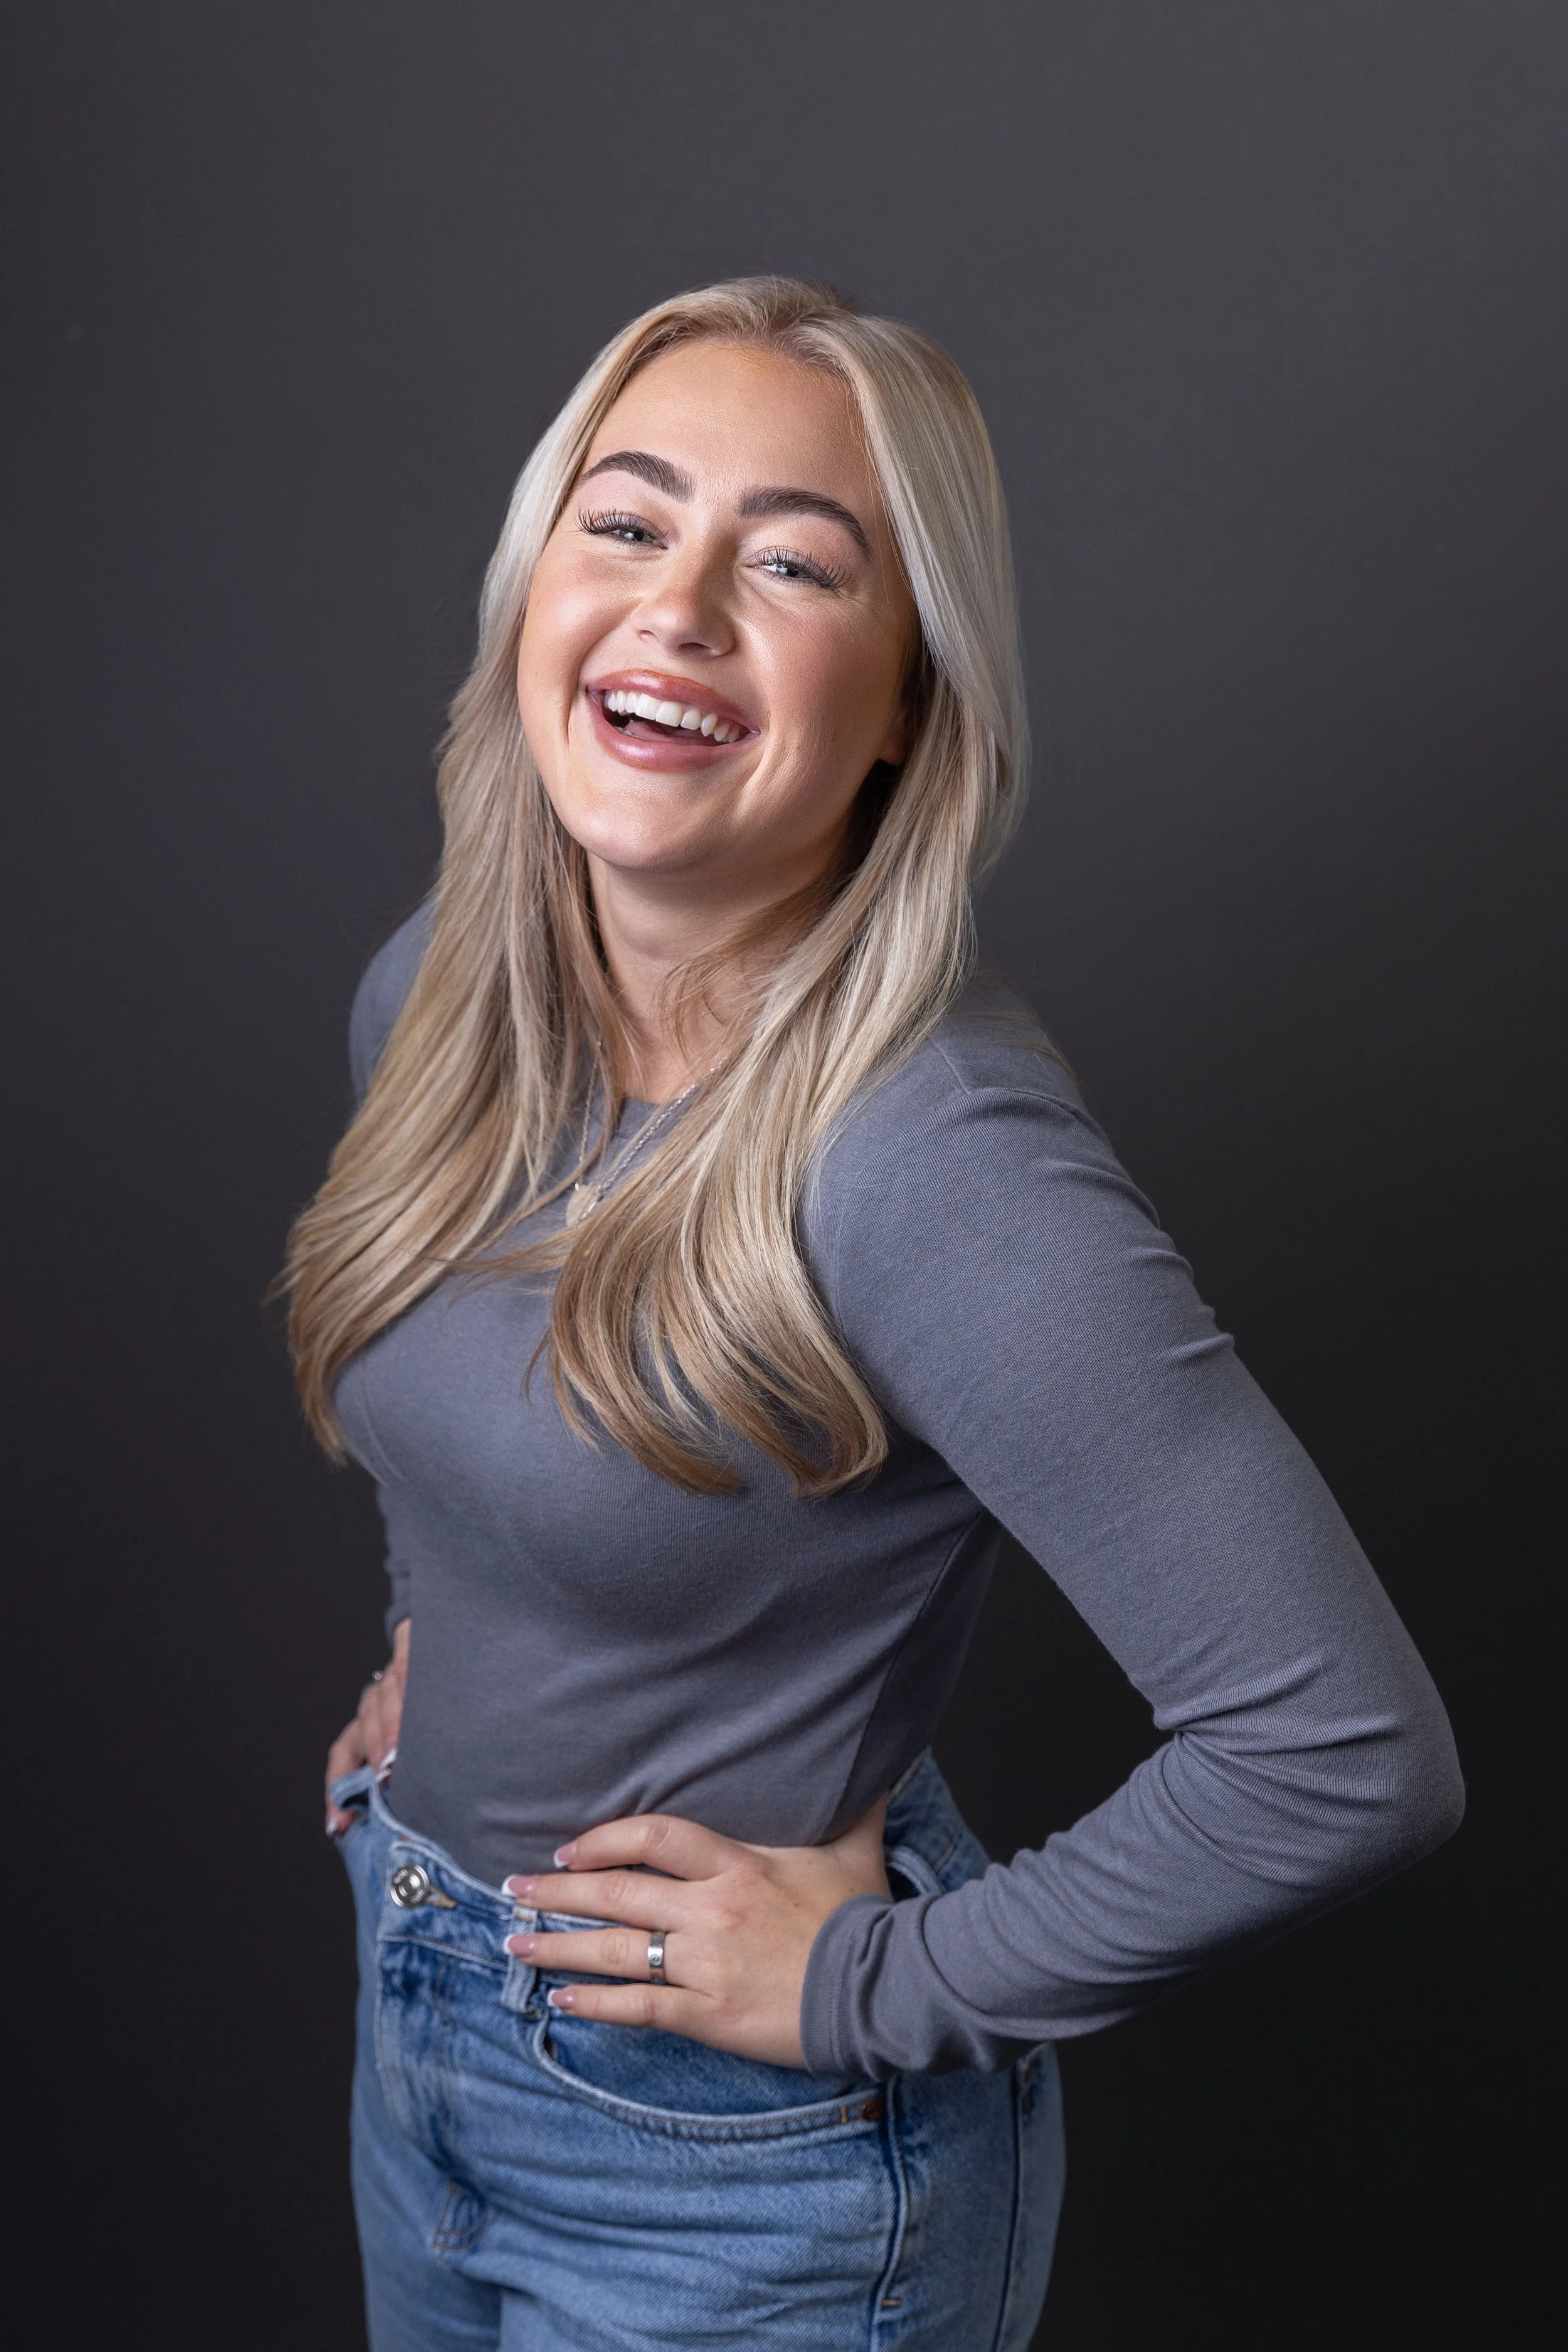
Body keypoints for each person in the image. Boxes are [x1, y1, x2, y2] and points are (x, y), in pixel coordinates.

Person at [281, 276, 1463, 2351]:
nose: (675, 609)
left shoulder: (928, 1157)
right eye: (625, 522)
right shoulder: (446, 1001)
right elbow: (470, 1401)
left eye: (794, 565)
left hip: (734, 2176)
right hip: (425, 2033)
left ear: (912, 693)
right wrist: (442, 1647)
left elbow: (1340, 1754)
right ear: (537, 583)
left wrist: (867, 1983)